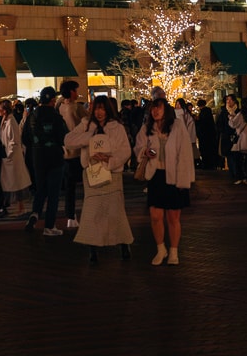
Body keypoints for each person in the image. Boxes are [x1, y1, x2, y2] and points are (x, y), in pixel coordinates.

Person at [64, 96, 133, 263]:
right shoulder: (86, 124)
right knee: (92, 212)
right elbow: (68, 140)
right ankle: (92, 248)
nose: (99, 112)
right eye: (96, 108)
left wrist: (110, 160)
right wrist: (90, 137)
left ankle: (123, 243)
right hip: (92, 174)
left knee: (115, 212)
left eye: (102, 108)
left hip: (112, 175)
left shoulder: (117, 127)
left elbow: (126, 151)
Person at [134, 97, 194, 265]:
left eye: (158, 108)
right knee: (155, 215)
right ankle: (161, 248)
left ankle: (174, 251)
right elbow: (138, 146)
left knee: (173, 217)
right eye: (153, 108)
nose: (155, 111)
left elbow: (185, 154)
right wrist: (145, 151)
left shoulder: (177, 126)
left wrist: (185, 179)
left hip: (174, 175)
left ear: (166, 109)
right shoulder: (147, 128)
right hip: (156, 175)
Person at [24, 86, 68, 236]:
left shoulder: (32, 115)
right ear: (52, 100)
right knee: (53, 193)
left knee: (40, 188)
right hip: (54, 156)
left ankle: (35, 213)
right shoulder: (56, 116)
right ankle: (49, 226)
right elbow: (63, 136)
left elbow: (25, 137)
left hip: (37, 156)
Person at [57, 80, 88, 229]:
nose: (77, 93)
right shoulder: (77, 108)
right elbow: (89, 123)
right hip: (78, 151)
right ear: (71, 91)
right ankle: (85, 214)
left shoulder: (59, 106)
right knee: (87, 183)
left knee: (69, 187)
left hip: (64, 151)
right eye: (76, 90)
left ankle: (70, 215)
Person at [0, 98, 30, 216]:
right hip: (9, 155)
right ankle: (19, 207)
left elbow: (14, 140)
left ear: (4, 110)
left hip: (12, 156)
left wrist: (8, 153)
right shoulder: (6, 120)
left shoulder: (10, 122)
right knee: (14, 182)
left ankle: (20, 207)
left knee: (16, 182)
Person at [228, 94, 247, 185]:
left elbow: (233, 124)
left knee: (238, 159)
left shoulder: (241, 114)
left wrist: (231, 116)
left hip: (242, 140)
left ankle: (240, 177)